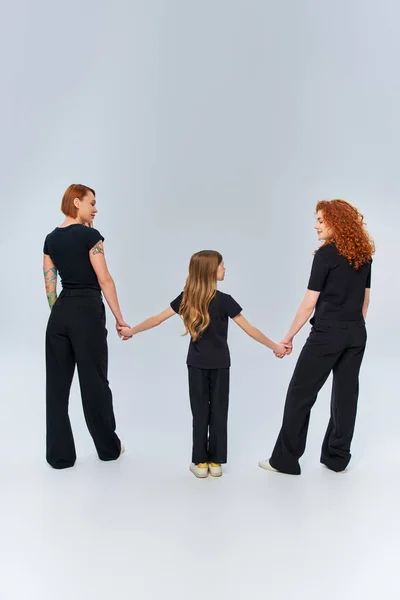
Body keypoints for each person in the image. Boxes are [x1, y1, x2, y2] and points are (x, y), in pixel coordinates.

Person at [118, 250, 288, 478]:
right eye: (222, 266)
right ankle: (215, 463)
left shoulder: (187, 298)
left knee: (200, 413)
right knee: (218, 412)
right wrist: (274, 346)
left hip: (196, 365)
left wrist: (132, 331)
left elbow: (157, 319)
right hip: (220, 365)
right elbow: (250, 330)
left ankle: (200, 464)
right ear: (210, 271)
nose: (225, 269)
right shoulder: (225, 301)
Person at [259, 199, 374, 475]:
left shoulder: (325, 255)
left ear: (336, 222)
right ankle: (337, 459)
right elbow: (365, 301)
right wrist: (352, 328)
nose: (316, 225)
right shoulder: (363, 255)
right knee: (346, 395)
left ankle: (285, 461)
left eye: (321, 220)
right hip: (356, 332)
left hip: (327, 334)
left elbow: (309, 302)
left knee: (300, 393)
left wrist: (288, 337)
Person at [43, 184, 129, 469]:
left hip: (60, 313)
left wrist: (59, 312)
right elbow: (104, 279)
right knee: (94, 382)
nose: (95, 209)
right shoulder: (91, 236)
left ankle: (59, 457)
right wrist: (119, 318)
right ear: (76, 202)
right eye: (92, 203)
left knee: (56, 387)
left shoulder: (50, 239)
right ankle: (108, 449)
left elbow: (49, 283)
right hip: (87, 310)